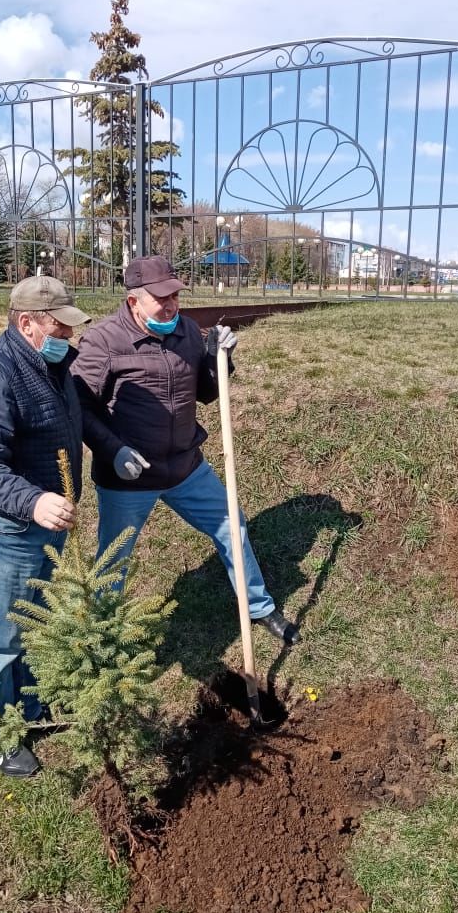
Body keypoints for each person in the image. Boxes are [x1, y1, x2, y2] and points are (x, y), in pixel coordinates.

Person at [70, 255, 297, 644]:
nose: (171, 305)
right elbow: (79, 407)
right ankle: (101, 639)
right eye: (161, 299)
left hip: (185, 468)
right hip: (128, 478)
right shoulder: (104, 341)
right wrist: (114, 450)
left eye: (175, 296)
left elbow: (209, 394)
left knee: (231, 524)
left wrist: (216, 357)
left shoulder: (187, 332)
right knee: (114, 559)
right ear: (133, 302)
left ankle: (257, 606)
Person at [0, 276, 90, 778]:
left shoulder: (52, 365)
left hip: (47, 518)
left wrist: (113, 448)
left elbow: (77, 420)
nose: (68, 338)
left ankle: (29, 709)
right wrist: (33, 501)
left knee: (32, 623)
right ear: (26, 323)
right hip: (7, 527)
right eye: (60, 327)